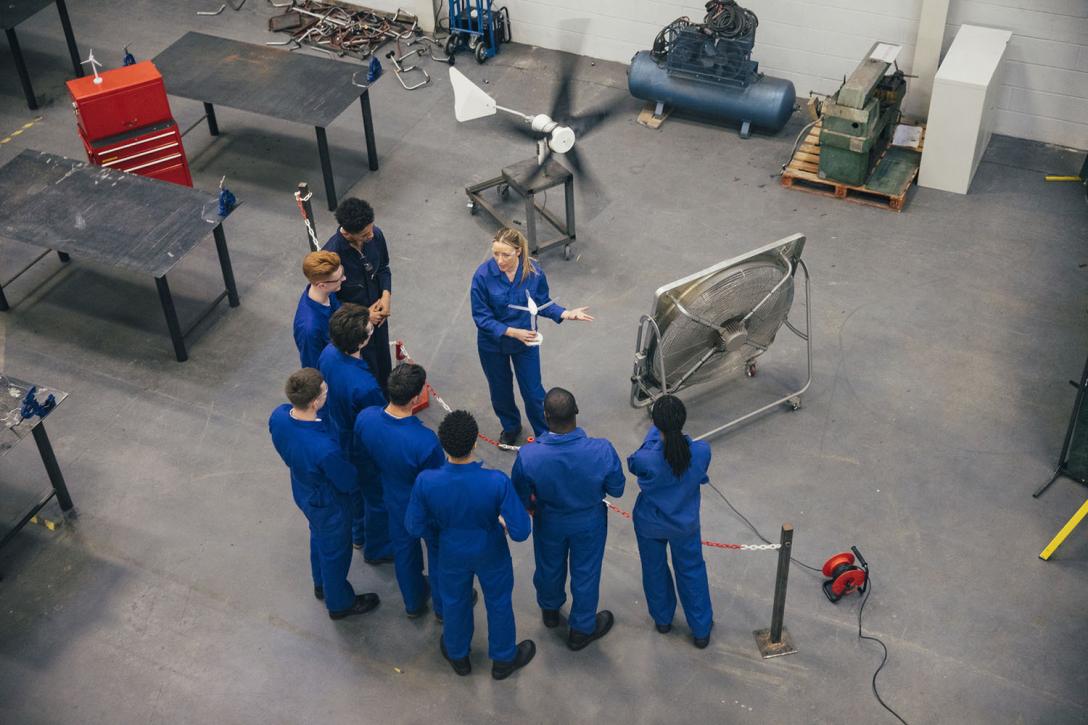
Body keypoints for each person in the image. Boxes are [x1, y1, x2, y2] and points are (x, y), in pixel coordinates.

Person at [406, 410, 535, 680]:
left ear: (443, 444)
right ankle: (503, 659)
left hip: (450, 551)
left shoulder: (426, 482)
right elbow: (522, 531)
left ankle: (458, 655)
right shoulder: (496, 482)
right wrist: (500, 523)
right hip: (491, 550)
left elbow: (414, 526)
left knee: (454, 601)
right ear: (475, 442)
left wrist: (441, 531)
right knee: (498, 602)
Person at [511, 387, 625, 651]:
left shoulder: (529, 456)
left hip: (549, 520)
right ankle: (582, 629)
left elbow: (521, 494)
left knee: (549, 564)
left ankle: (550, 610)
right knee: (585, 572)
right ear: (576, 411)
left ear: (545, 416)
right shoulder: (602, 450)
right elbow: (617, 489)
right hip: (589, 521)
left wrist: (535, 506)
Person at [268, 368, 380, 620]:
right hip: (330, 505)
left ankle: (321, 584)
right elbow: (347, 480)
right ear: (315, 401)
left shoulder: (279, 417)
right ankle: (339, 602)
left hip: (303, 490)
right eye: (325, 391)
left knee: (318, 537)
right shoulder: (324, 449)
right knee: (336, 552)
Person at [470, 227, 593, 445]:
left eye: (505, 255)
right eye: (495, 253)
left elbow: (543, 304)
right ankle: (511, 426)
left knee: (534, 392)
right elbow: (481, 317)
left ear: (518, 252)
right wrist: (511, 332)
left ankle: (544, 434)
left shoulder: (533, 273)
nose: (499, 260)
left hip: (525, 342)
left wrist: (566, 313)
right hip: (493, 344)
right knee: (500, 390)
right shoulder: (482, 276)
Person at [354, 363, 446, 619]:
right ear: (416, 397)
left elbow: (362, 453)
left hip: (392, 496)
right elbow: (437, 483)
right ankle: (442, 605)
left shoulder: (366, 418)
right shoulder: (425, 442)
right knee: (437, 552)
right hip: (424, 506)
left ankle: (414, 603)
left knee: (404, 549)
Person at [627, 395, 714, 648]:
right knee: (691, 571)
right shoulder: (701, 452)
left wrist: (654, 434)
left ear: (656, 425)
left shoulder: (645, 458)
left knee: (654, 569)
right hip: (684, 523)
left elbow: (634, 463)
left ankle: (663, 619)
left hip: (650, 523)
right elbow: (683, 455)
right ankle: (700, 629)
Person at [317, 303, 392, 563]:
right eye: (369, 330)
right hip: (360, 446)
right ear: (361, 342)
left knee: (355, 490)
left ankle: (358, 533)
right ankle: (379, 548)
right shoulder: (365, 387)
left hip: (336, 431)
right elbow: (376, 426)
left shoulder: (327, 354)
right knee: (375, 495)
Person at [322, 198, 393, 391]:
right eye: (364, 234)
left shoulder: (376, 236)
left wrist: (386, 296)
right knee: (367, 372)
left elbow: (383, 269)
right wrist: (363, 315)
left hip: (379, 319)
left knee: (384, 362)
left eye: (371, 228)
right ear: (346, 232)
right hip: (355, 329)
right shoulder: (332, 255)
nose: (370, 235)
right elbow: (329, 299)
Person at [293, 251, 345, 368]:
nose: (344, 278)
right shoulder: (309, 329)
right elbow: (314, 370)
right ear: (321, 285)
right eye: (338, 279)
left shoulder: (327, 292)